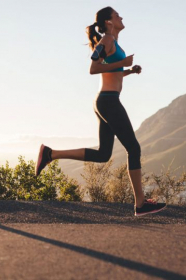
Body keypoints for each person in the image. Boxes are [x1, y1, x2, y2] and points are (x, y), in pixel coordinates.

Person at [35, 6, 166, 217]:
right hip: (108, 101)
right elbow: (93, 68)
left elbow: (112, 73)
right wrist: (123, 63)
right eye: (117, 15)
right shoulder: (107, 40)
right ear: (108, 22)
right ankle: (140, 203)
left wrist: (128, 71)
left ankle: (50, 154)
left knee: (104, 154)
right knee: (134, 148)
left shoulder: (112, 42)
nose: (121, 17)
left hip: (105, 100)